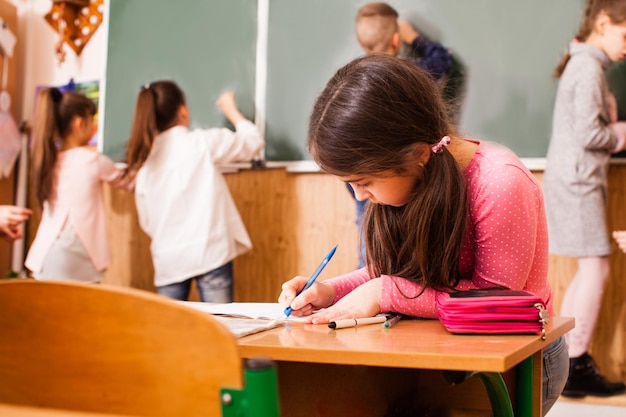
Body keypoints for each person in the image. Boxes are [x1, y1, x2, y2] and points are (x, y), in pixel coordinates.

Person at [278, 54, 568, 415]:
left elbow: (494, 303)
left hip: (522, 357)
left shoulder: (500, 182)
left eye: (363, 182)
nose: (359, 196)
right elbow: (391, 273)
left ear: (416, 155)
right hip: (441, 350)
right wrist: (330, 290)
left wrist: (386, 292)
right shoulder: (408, 179)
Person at [543, 0, 626, 398]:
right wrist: (622, 133)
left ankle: (569, 358)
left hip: (577, 179)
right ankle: (575, 363)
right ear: (605, 23)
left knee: (590, 268)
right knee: (598, 269)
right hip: (578, 182)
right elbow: (591, 136)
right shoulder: (588, 67)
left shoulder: (586, 65)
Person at [124, 81, 264, 302]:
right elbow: (253, 142)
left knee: (171, 333)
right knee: (222, 326)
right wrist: (230, 109)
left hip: (169, 260)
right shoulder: (200, 143)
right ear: (182, 111)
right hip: (210, 253)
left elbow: (147, 223)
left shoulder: (145, 166)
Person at [349, 2, 466, 267]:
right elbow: (443, 61)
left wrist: (361, 183)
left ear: (359, 41)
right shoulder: (411, 75)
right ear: (395, 40)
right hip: (403, 176)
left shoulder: (353, 86)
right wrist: (415, 38)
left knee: (371, 246)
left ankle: (370, 286)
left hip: (363, 183)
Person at [25, 88, 127, 283]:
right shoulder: (92, 160)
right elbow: (127, 182)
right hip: (78, 257)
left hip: (45, 256)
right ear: (79, 124)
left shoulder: (46, 160)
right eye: (92, 120)